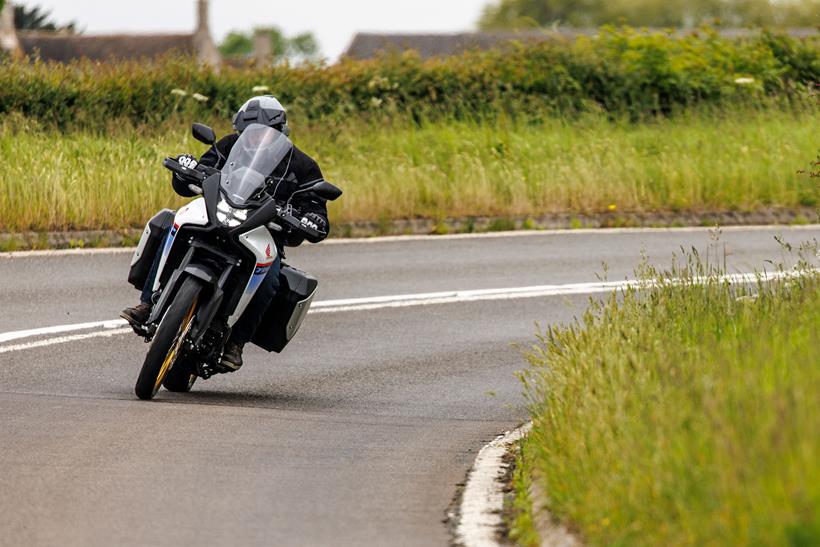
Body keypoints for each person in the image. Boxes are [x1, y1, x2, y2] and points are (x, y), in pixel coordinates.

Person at [121, 96, 330, 370]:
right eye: (247, 134)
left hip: (261, 234)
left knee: (272, 274)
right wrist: (189, 167)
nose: (254, 140)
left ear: (279, 132)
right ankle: (148, 302)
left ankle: (236, 342)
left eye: (263, 134)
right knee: (172, 221)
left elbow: (315, 203)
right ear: (240, 131)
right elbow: (200, 171)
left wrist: (312, 216)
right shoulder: (228, 145)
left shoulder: (302, 165)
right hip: (217, 215)